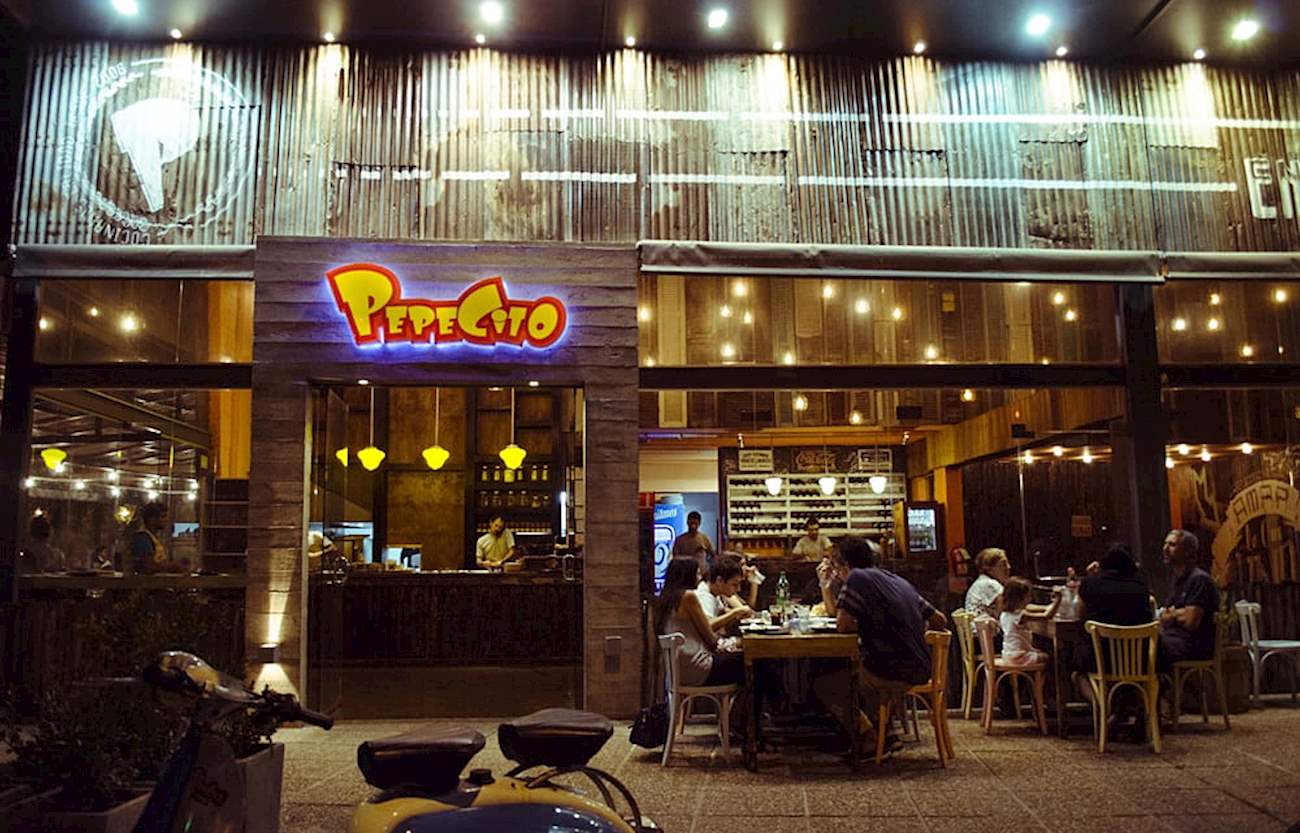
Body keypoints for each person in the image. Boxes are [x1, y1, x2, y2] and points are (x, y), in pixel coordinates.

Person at [825, 536, 946, 748]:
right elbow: (940, 620)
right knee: (854, 671)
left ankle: (871, 736)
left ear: (844, 565)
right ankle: (884, 731)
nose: (837, 573)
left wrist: (873, 625)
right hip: (921, 667)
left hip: (893, 670)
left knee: (828, 683)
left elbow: (842, 625)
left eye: (836, 567)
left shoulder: (856, 578)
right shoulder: (897, 580)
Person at [654, 557, 743, 688]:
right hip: (698, 668)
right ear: (688, 576)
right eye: (697, 574)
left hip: (679, 669)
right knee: (751, 661)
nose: (700, 578)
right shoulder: (688, 597)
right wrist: (735, 642)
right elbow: (710, 638)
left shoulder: (666, 599)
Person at [1157, 528, 1219, 670]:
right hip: (1174, 640)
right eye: (1165, 544)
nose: (1165, 549)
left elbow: (1191, 621)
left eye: (1172, 545)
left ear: (1187, 551)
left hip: (1192, 645)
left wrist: (1173, 613)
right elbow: (1164, 616)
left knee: (1148, 647)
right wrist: (1178, 613)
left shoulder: (1199, 580)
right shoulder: (1178, 580)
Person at [998, 577, 1061, 665]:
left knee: (1038, 651)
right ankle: (1043, 675)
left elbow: (1032, 607)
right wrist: (1058, 599)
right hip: (1019, 657)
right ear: (1019, 599)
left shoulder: (1004, 614)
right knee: (1046, 656)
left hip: (1008, 655)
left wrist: (1049, 606)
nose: (1030, 599)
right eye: (1027, 597)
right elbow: (1047, 616)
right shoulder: (1020, 615)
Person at [695, 555, 757, 635]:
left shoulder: (715, 593)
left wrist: (735, 614)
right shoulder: (704, 595)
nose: (738, 589)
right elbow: (707, 626)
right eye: (734, 585)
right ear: (719, 580)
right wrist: (734, 613)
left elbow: (721, 613)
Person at [965, 547, 1010, 621]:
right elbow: (1009, 609)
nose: (1008, 567)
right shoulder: (989, 583)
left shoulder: (981, 582)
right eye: (1003, 564)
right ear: (988, 568)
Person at [130, 502, 173, 574]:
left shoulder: (152, 537)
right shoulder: (143, 538)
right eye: (163, 516)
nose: (166, 520)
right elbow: (148, 566)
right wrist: (171, 567)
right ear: (151, 519)